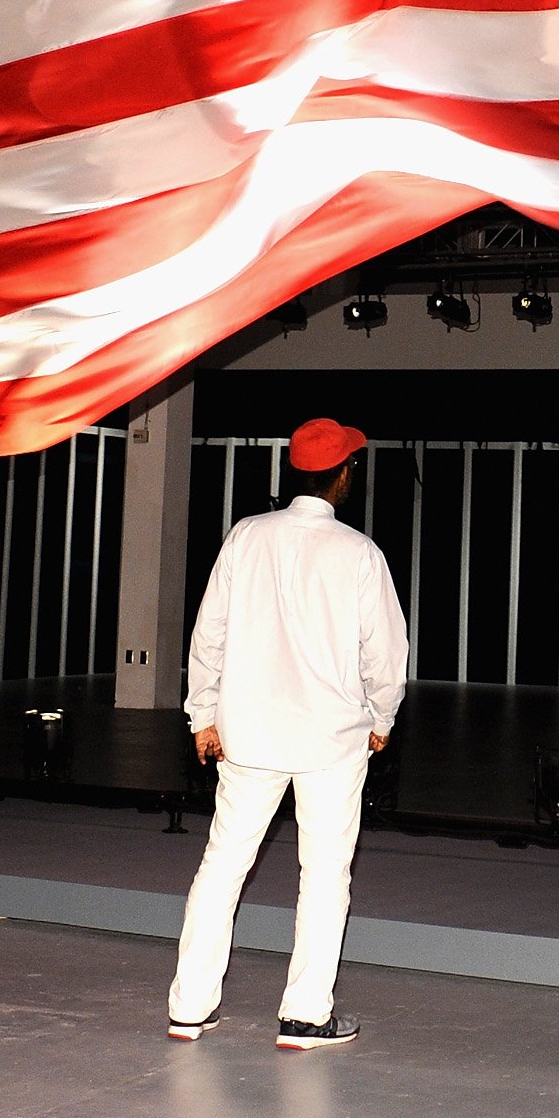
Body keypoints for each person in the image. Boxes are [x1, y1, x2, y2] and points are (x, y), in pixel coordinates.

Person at [168, 417, 408, 1051]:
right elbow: (386, 652)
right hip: (331, 741)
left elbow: (208, 632)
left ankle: (190, 1008)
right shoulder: (358, 553)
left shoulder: (246, 537)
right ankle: (304, 1016)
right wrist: (382, 717)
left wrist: (203, 714)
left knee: (222, 865)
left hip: (248, 736)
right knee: (325, 873)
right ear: (344, 474)